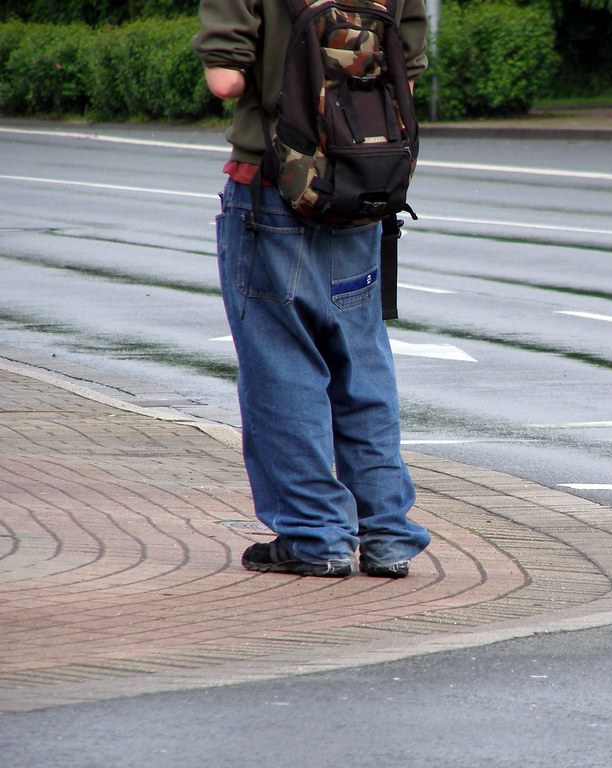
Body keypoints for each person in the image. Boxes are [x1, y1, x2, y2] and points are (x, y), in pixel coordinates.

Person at [191, 0, 430, 578]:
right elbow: (408, 72)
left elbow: (226, 79)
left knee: (282, 369)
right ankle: (388, 534)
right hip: (361, 188)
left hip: (274, 189)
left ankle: (315, 536)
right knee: (361, 365)